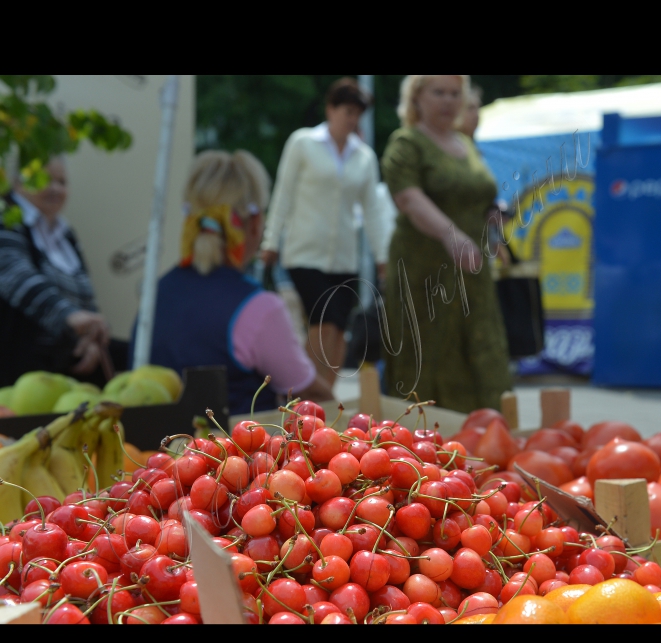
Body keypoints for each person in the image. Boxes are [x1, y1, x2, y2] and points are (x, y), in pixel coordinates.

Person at [132, 149, 334, 415]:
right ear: (254, 224)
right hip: (232, 453)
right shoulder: (259, 308)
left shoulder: (155, 293)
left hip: (149, 452)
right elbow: (313, 395)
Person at [379, 75, 512, 414]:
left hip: (473, 275)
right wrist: (452, 235)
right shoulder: (406, 143)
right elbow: (408, 198)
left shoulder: (465, 144)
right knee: (424, 357)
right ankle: (418, 449)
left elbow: (475, 197)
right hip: (424, 275)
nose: (448, 101)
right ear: (416, 98)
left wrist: (493, 217)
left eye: (455, 93)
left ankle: (490, 439)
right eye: (438, 92)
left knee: (484, 352)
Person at [260, 77, 390, 389]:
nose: (352, 119)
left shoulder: (364, 156)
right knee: (323, 322)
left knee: (338, 327)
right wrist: (270, 240)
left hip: (344, 257)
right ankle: (305, 392)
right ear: (330, 110)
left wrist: (382, 255)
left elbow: (373, 209)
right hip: (305, 252)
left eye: (357, 114)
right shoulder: (303, 143)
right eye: (347, 111)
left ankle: (325, 396)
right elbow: (283, 194)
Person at [0, 156, 123, 389]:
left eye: (62, 182)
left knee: (133, 355)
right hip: (21, 366)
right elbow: (15, 276)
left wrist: (93, 340)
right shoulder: (7, 217)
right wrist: (69, 317)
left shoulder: (65, 233)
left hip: (66, 359)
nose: (56, 189)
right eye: (46, 180)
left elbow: (86, 294)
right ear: (17, 182)